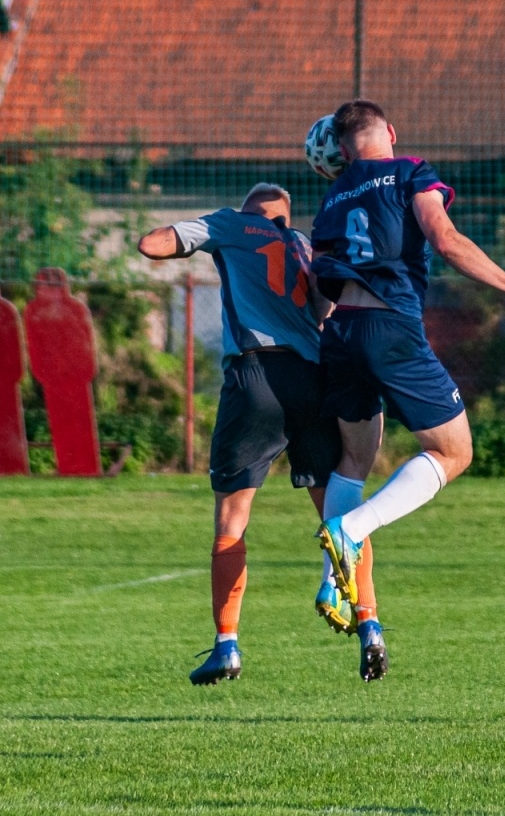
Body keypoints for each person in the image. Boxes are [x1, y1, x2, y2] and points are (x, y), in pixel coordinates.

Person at [309, 100, 505, 670]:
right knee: (453, 450)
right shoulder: (412, 170)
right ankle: (351, 530)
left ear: (341, 152)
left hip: (340, 333)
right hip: (391, 327)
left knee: (352, 461)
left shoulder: (331, 199)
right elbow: (444, 239)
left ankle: (333, 585)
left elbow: (319, 293)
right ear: (390, 132)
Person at [139, 183, 382, 682]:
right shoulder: (305, 245)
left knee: (232, 516)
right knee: (341, 515)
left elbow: (152, 243)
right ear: (285, 216)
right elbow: (323, 308)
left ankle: (227, 645)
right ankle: (370, 626)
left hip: (256, 376)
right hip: (312, 379)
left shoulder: (230, 224)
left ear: (249, 210)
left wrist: (186, 236)